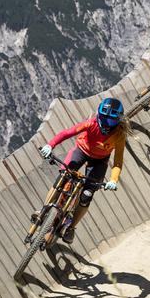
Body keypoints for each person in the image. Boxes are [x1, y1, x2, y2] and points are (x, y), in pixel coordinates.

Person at [38, 97, 127, 243]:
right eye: (103, 118)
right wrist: (50, 145)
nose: (105, 123)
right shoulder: (91, 123)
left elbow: (118, 161)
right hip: (81, 151)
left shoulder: (119, 135)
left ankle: (71, 228)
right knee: (63, 178)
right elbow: (67, 133)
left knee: (86, 195)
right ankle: (44, 210)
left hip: (99, 161)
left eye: (110, 121)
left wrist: (113, 179)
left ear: (117, 120)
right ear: (99, 114)